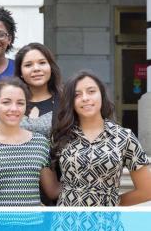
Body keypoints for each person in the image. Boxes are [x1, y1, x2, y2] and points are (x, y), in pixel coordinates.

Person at [0, 77, 58, 231]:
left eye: (20, 103)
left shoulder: (40, 143)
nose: (14, 108)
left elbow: (52, 191)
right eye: (6, 102)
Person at [51, 70, 151, 206]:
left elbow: (147, 190)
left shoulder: (124, 136)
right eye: (77, 95)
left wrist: (113, 203)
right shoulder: (61, 135)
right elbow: (50, 186)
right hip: (66, 222)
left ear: (102, 95)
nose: (85, 98)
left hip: (107, 222)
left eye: (91, 91)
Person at [14, 43, 62, 138]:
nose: (36, 69)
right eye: (28, 65)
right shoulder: (12, 102)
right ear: (20, 73)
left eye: (42, 63)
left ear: (51, 67)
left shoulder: (66, 100)